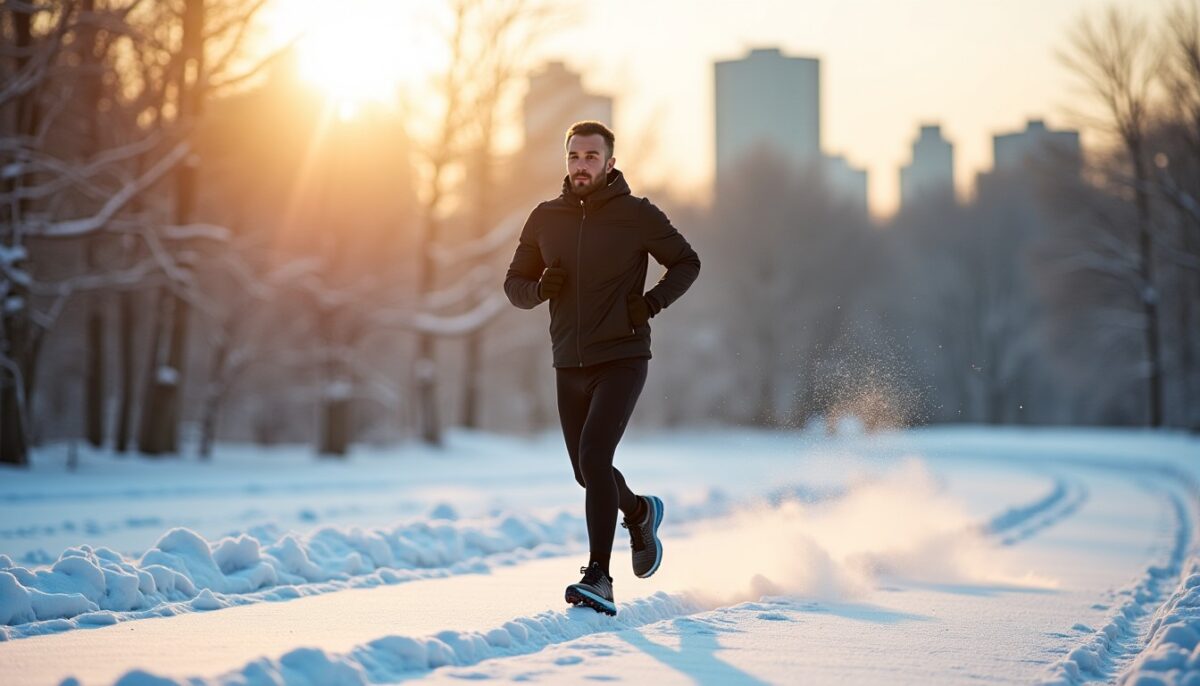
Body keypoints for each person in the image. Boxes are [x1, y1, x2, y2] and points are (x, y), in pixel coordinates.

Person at [503, 121, 701, 615]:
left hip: (622, 356)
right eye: (574, 156)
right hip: (568, 361)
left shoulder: (636, 214)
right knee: (585, 472)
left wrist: (651, 303)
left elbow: (686, 262)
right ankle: (639, 511)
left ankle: (599, 577)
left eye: (592, 156)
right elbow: (514, 285)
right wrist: (539, 289)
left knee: (594, 457)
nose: (582, 165)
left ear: (610, 163)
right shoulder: (545, 218)